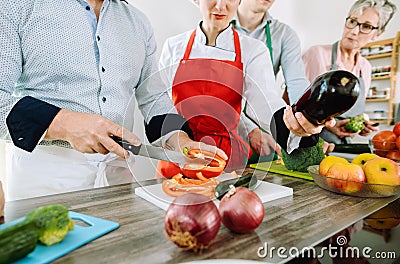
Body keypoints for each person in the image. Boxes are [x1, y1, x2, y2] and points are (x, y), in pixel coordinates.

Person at [0, 0, 227, 201]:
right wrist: (64, 123)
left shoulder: (138, 23)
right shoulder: (16, 6)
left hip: (118, 178)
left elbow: (154, 98)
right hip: (44, 179)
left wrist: (181, 142)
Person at [156, 0, 335, 177]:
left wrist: (298, 124)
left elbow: (267, 105)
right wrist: (177, 142)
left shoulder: (252, 50)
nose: (220, 6)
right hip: (179, 154)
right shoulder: (174, 46)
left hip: (223, 161)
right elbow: (160, 105)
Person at [230, 0, 333, 161]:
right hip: (223, 126)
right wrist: (249, 129)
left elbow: (297, 83)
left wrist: (305, 124)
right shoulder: (218, 26)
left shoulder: (284, 34)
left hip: (268, 131)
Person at [303, 0, 396, 144]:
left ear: (377, 34)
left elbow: (350, 111)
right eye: (352, 21)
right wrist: (330, 126)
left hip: (343, 148)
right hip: (311, 143)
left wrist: (359, 125)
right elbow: (292, 104)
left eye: (366, 26)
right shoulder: (316, 54)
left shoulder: (365, 67)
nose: (354, 31)